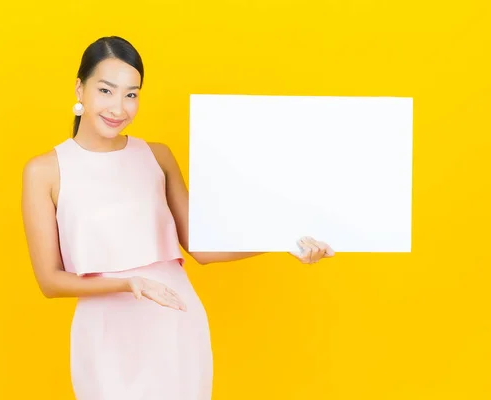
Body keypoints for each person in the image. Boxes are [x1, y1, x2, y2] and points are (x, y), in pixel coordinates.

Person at [21, 36, 335, 400]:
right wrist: (128, 284)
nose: (118, 107)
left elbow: (201, 247)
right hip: (106, 334)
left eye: (131, 94)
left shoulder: (157, 156)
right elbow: (50, 281)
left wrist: (286, 241)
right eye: (106, 90)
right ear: (80, 88)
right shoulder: (44, 171)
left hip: (176, 324)